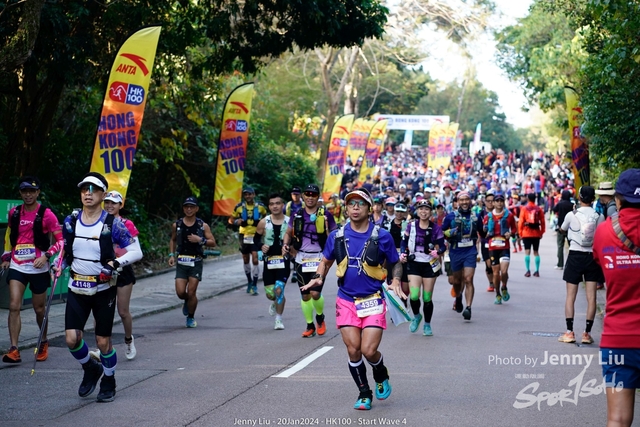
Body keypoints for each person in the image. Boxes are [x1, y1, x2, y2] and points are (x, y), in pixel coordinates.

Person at [301, 188, 404, 410]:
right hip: (346, 300)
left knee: (368, 350)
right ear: (346, 209)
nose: (355, 208)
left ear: (370, 208)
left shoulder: (382, 236)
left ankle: (380, 371)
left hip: (373, 300)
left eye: (360, 203)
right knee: (353, 349)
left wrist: (396, 280)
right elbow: (326, 261)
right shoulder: (336, 236)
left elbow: (395, 261)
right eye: (351, 204)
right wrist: (317, 278)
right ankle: (364, 392)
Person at [62, 172, 142, 402]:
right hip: (76, 287)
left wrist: (115, 263)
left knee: (103, 342)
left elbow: (136, 251)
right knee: (71, 338)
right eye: (84, 189)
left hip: (103, 289)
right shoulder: (71, 221)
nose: (88, 194)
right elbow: (65, 246)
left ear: (103, 194)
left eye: (93, 190)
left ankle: (109, 379)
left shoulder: (113, 224)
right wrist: (59, 263)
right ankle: (90, 368)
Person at [592, 168, 640, 427]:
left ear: (618, 199)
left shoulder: (603, 232)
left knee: (617, 420)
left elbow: (599, 261)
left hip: (618, 340)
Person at [1, 176, 63, 363]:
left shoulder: (47, 214)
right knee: (14, 305)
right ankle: (14, 349)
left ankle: (43, 341)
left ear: (38, 193)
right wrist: (6, 256)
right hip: (17, 264)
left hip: (38, 268)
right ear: (20, 193)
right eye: (24, 191)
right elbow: (9, 235)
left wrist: (46, 256)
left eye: (32, 191)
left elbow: (61, 241)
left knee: (39, 309)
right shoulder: (14, 213)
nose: (28, 195)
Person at [282, 184, 337, 337]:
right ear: (303, 196)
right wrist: (285, 244)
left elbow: (335, 235)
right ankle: (310, 325)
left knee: (315, 293)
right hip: (301, 258)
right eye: (307, 194)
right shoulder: (297, 214)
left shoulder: (326, 215)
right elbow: (288, 232)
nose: (310, 197)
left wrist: (327, 231)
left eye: (313, 194)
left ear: (318, 197)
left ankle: (320, 317)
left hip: (319, 258)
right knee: (305, 294)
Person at [558, 186, 604, 344]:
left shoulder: (571, 214)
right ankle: (587, 333)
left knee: (570, 296)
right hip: (592, 257)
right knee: (592, 298)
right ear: (593, 199)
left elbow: (562, 229)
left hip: (575, 255)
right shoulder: (599, 216)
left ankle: (569, 332)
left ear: (579, 197)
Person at [102, 190, 140, 359]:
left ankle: (128, 340)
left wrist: (119, 261)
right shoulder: (99, 221)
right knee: (101, 311)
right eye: (107, 202)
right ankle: (104, 346)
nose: (109, 206)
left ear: (120, 205)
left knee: (123, 311)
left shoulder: (127, 224)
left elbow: (136, 251)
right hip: (103, 270)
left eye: (113, 203)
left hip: (122, 270)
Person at [168, 197, 217, 328]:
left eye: (192, 207)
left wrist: (200, 240)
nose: (189, 209)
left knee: (191, 292)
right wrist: (171, 255)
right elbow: (173, 239)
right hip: (181, 262)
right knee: (180, 292)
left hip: (196, 261)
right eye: (186, 207)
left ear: (196, 209)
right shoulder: (177, 225)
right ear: (183, 208)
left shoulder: (202, 225)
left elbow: (213, 242)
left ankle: (190, 316)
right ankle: (186, 300)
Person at [400, 200, 445, 336]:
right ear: (417, 211)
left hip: (429, 264)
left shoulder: (436, 228)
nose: (423, 212)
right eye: (421, 209)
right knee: (414, 295)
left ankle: (427, 324)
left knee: (427, 297)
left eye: (426, 209)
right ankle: (416, 316)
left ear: (430, 212)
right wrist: (402, 253)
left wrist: (438, 252)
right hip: (414, 263)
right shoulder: (411, 226)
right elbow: (404, 242)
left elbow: (442, 245)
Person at [442, 192, 485, 320]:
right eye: (462, 200)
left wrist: (486, 229)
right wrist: (448, 233)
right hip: (455, 251)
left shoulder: (476, 216)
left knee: (468, 278)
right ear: (457, 202)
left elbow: (482, 233)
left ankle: (468, 307)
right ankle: (458, 296)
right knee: (456, 281)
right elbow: (441, 232)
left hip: (470, 251)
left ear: (470, 201)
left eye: (467, 199)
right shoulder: (450, 216)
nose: (464, 202)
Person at [254, 193, 290, 330]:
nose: (275, 206)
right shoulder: (264, 222)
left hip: (283, 261)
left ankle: (278, 319)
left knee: (279, 289)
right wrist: (261, 246)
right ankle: (274, 302)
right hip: (269, 262)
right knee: (271, 294)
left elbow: (296, 239)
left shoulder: (289, 222)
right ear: (269, 206)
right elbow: (255, 240)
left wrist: (289, 248)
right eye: (272, 204)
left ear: (282, 205)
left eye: (277, 203)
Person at [229, 187, 267, 295]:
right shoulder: (239, 207)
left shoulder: (260, 207)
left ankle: (254, 284)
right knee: (245, 259)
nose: (248, 196)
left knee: (255, 259)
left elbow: (266, 217)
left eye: (250, 194)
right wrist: (236, 221)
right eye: (246, 194)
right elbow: (230, 219)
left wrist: (263, 227)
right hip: (244, 235)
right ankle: (249, 281)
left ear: (254, 195)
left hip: (256, 235)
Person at [483, 194, 517, 305]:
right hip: (493, 248)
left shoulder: (509, 216)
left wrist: (510, 234)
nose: (499, 203)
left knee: (504, 271)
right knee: (496, 273)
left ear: (503, 202)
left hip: (504, 247)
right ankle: (498, 294)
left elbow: (514, 229)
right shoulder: (488, 217)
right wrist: (485, 233)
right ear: (493, 203)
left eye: (501, 201)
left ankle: (504, 286)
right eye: (497, 201)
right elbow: (483, 231)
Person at [518, 193, 545, 277]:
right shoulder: (539, 209)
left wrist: (520, 232)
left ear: (528, 199)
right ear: (535, 199)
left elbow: (521, 221)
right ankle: (537, 271)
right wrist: (541, 232)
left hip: (526, 233)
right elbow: (542, 222)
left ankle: (528, 271)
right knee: (536, 252)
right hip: (536, 233)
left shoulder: (524, 208)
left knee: (527, 252)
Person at [552, 190, 574, 270]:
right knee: (572, 246)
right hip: (570, 228)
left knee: (560, 246)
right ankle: (572, 264)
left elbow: (554, 209)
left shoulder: (560, 204)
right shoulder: (572, 205)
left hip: (561, 227)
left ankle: (560, 264)